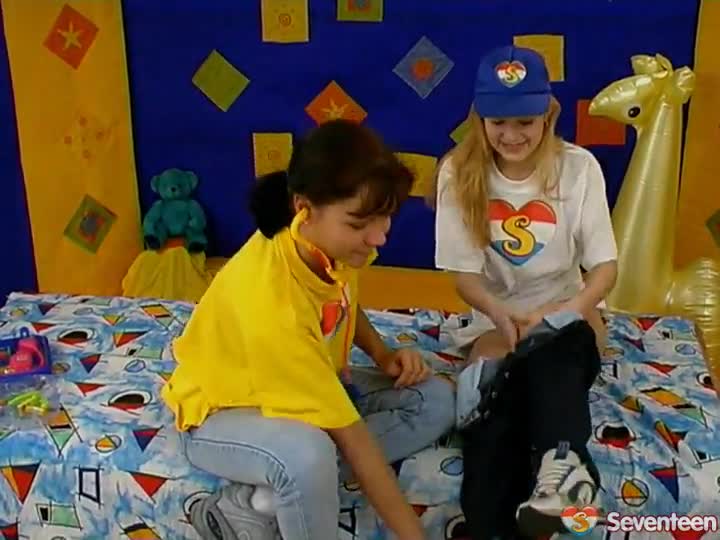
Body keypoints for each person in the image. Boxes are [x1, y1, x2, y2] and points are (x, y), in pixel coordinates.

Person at [162, 119, 455, 540]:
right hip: (223, 412)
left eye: (384, 217)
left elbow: (339, 299)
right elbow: (355, 441)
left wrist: (382, 354)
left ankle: (261, 499)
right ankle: (258, 500)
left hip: (298, 384)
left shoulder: (323, 244)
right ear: (304, 208)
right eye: (358, 224)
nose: (378, 238)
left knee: (435, 399)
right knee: (308, 456)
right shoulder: (272, 302)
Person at [431, 45, 618, 536]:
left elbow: (604, 269)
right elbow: (465, 278)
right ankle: (506, 515)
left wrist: (568, 309)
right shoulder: (457, 172)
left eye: (525, 122)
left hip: (569, 312)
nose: (511, 135)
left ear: (548, 115)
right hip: (496, 318)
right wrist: (499, 314)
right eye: (498, 122)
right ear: (480, 118)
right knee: (499, 399)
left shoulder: (580, 168)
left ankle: (561, 463)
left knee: (557, 344)